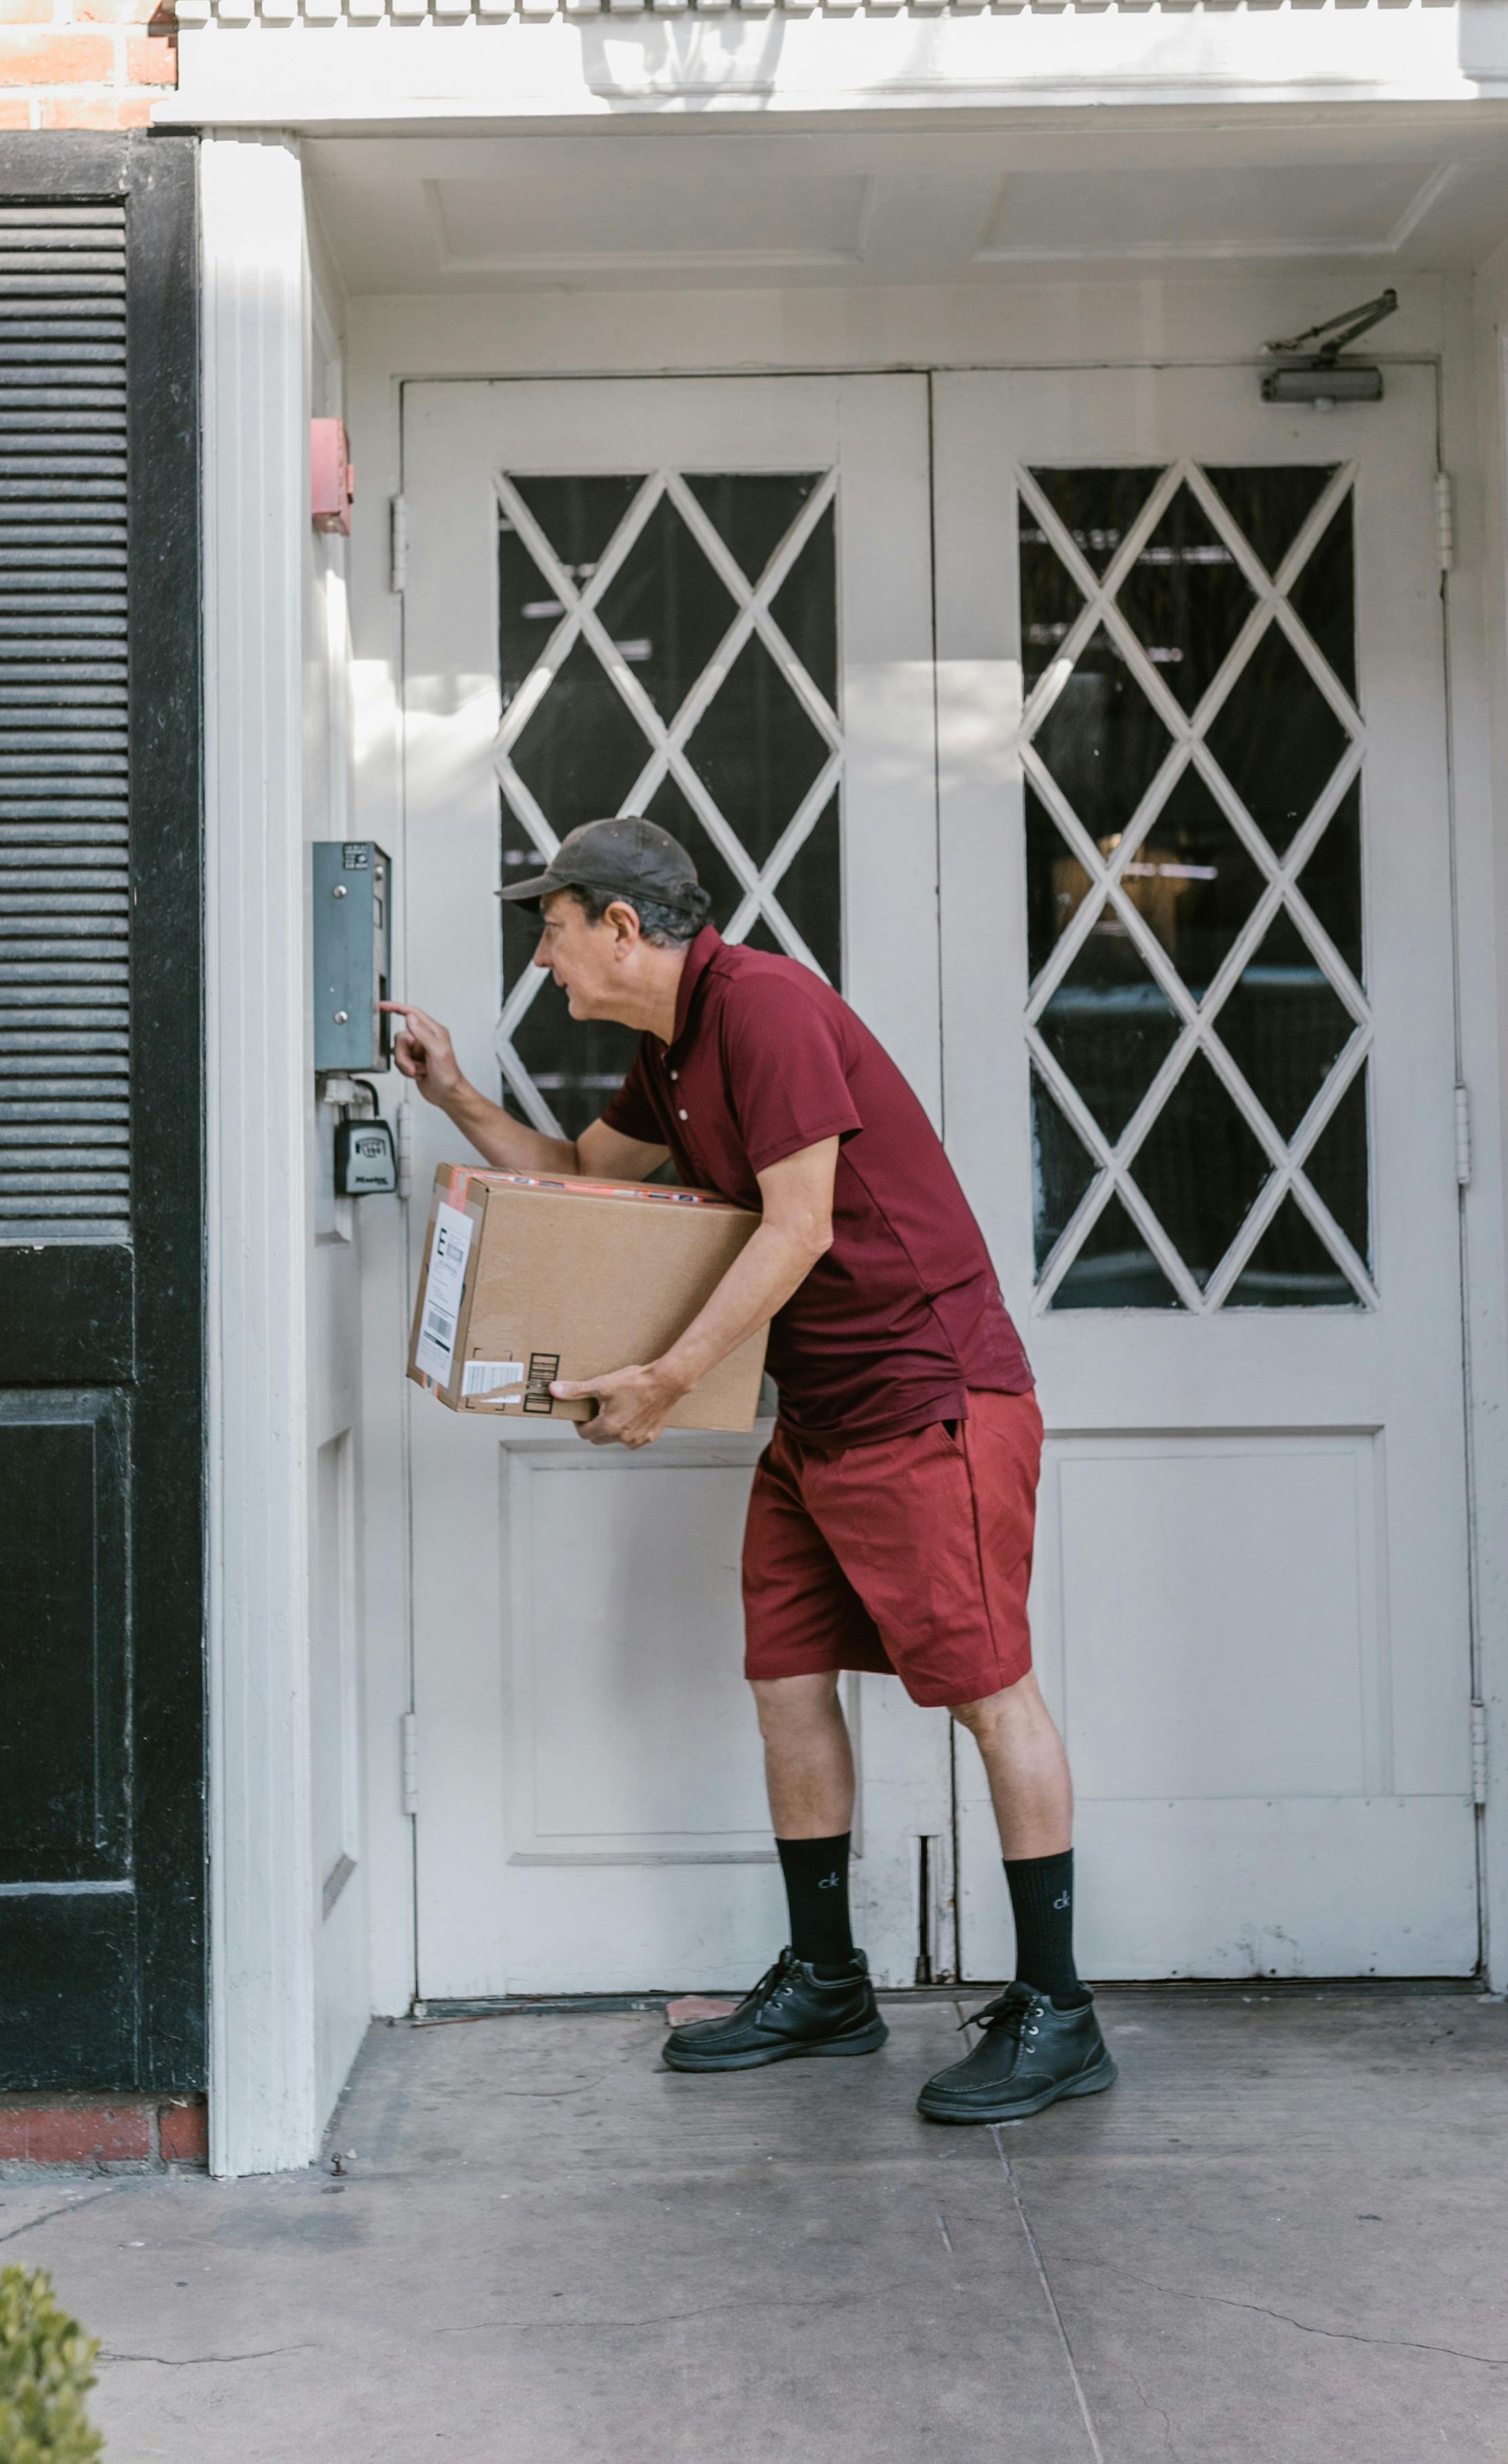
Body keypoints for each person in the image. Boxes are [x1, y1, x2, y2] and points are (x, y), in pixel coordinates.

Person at [383, 816, 1115, 2125]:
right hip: (823, 1414)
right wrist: (448, 1089)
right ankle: (830, 1979)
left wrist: (665, 1380)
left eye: (551, 933)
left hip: (928, 1400)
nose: (544, 965)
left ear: (621, 925)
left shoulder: (765, 1007)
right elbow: (569, 1183)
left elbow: (799, 1228)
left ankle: (1060, 2011)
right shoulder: (670, 1057)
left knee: (991, 1692)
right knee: (786, 1684)